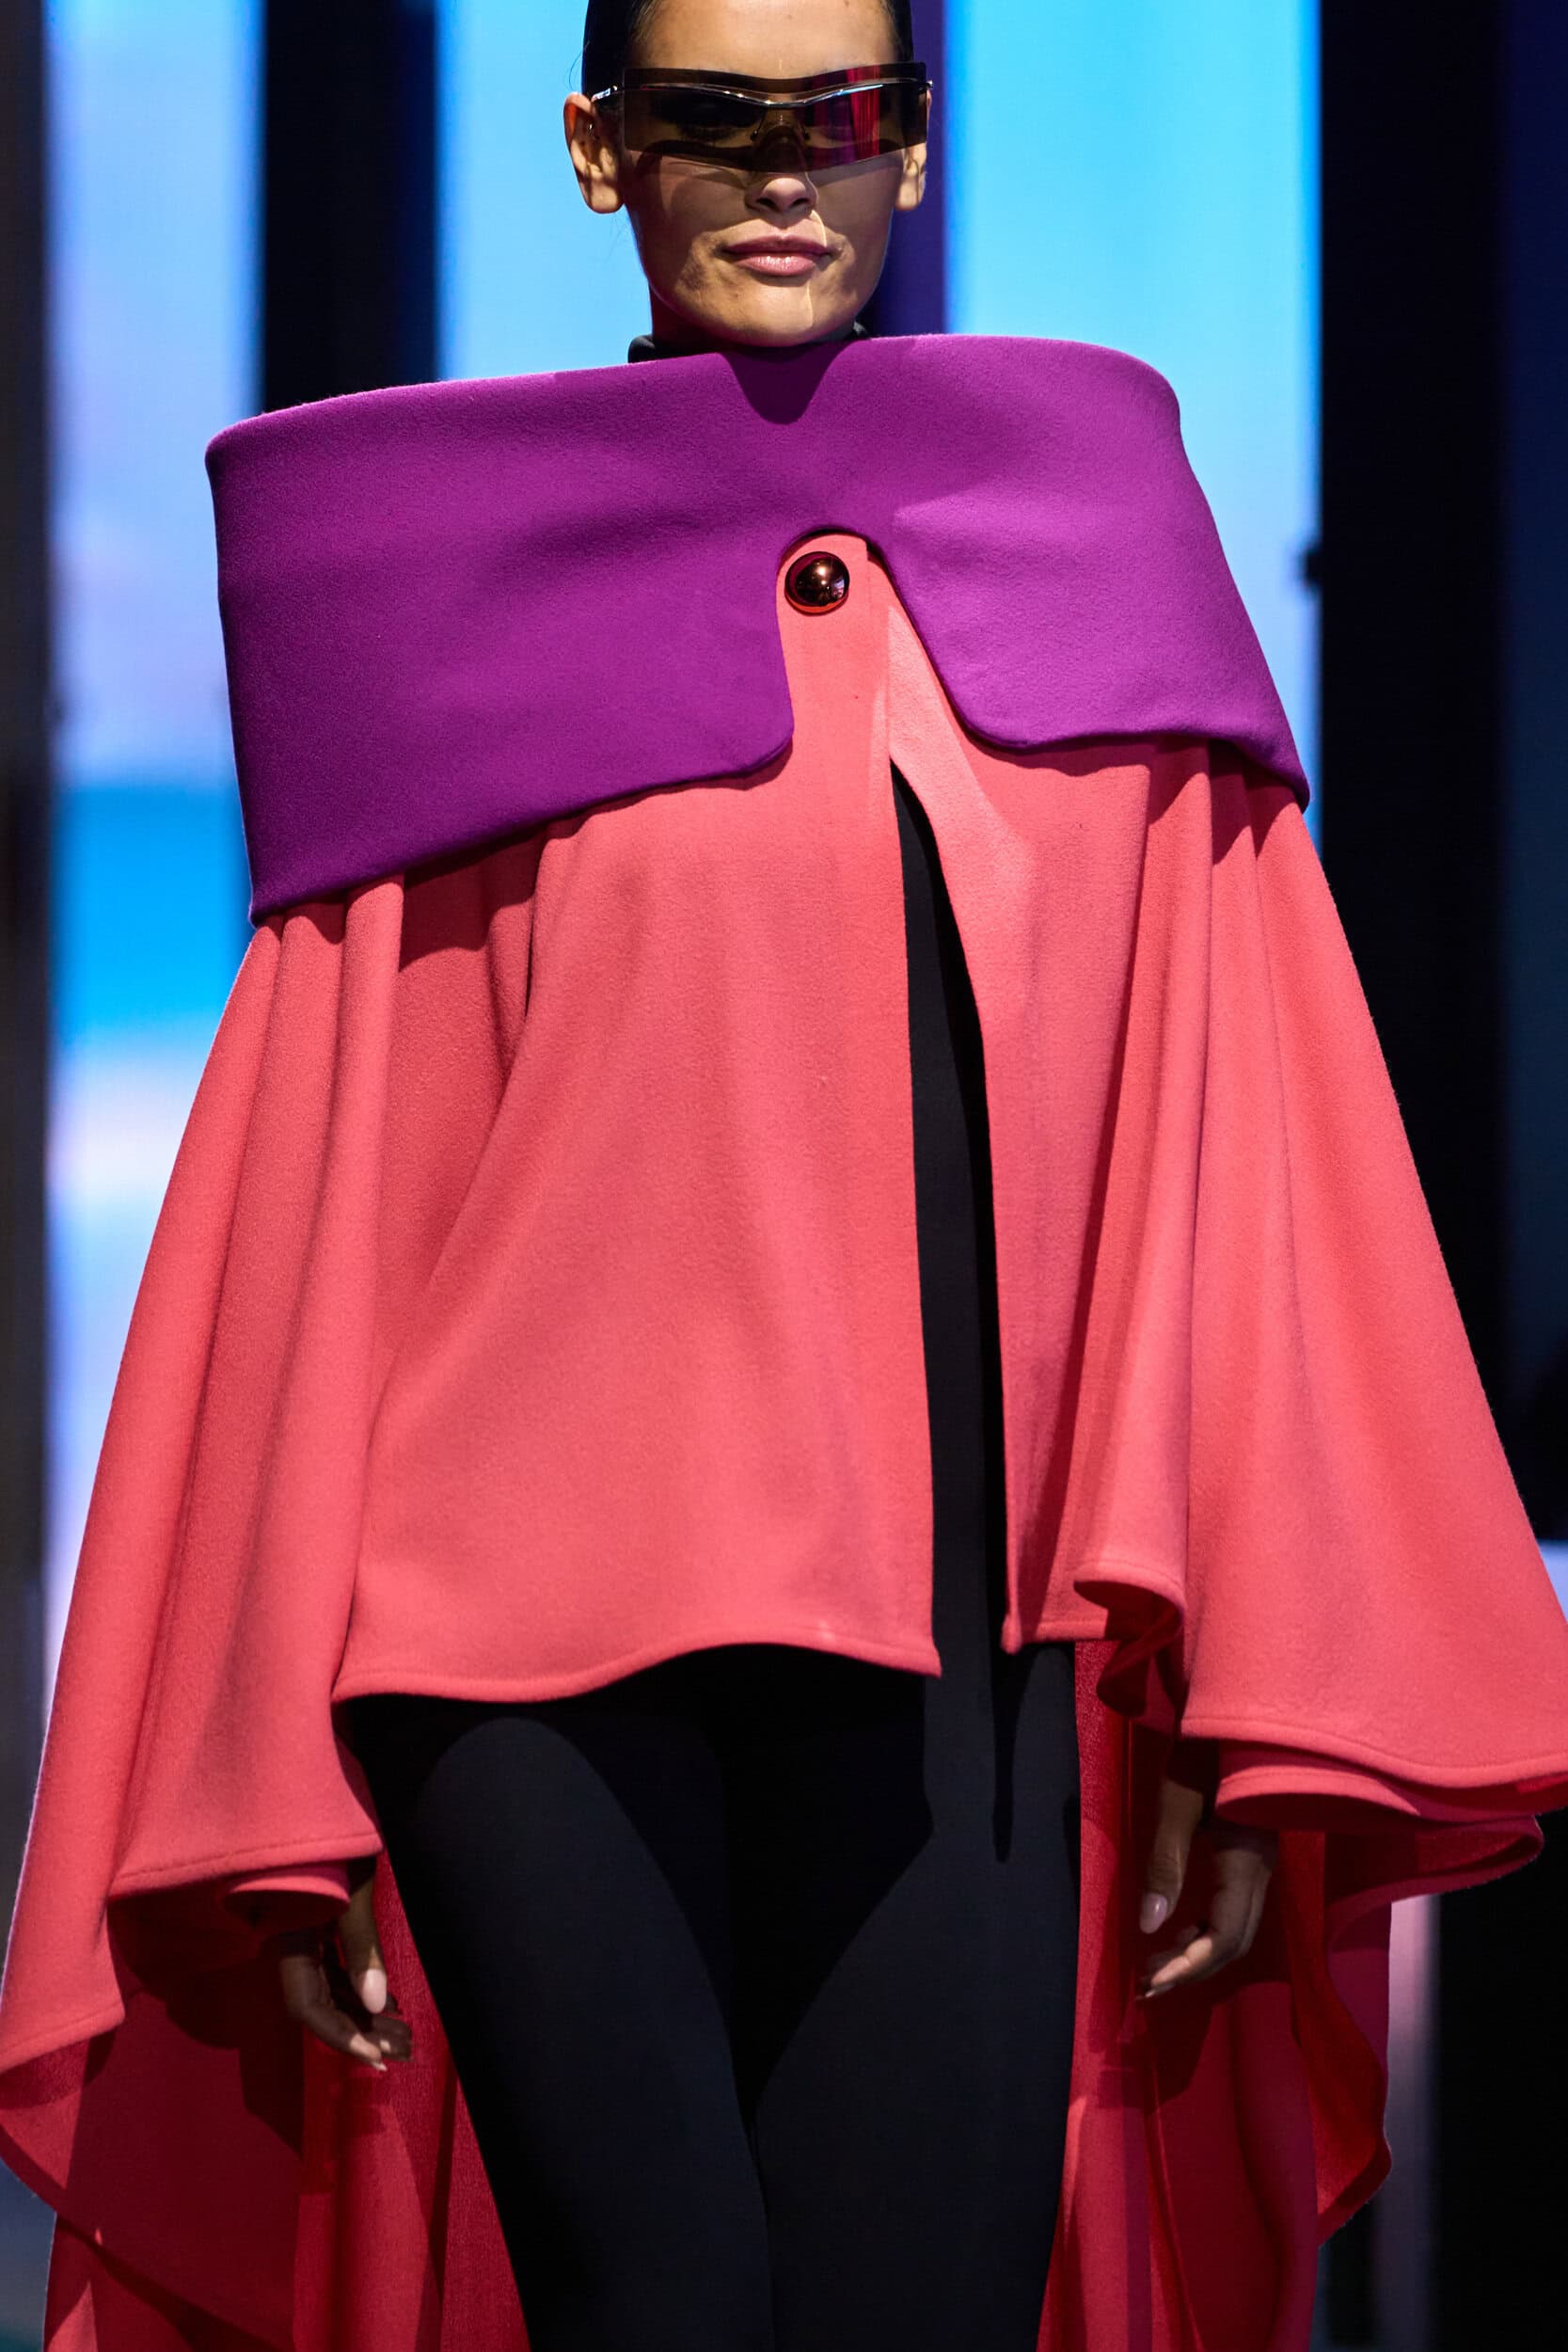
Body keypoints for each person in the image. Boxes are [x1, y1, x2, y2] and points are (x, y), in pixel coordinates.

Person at [3, 2, 1567, 2349]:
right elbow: (322, 1189)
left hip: (969, 1642)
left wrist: (1247, 1678)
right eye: (706, 119)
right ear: (595, 149)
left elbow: (1232, 1133)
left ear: (913, 147)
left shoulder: (1087, 530)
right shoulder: (442, 584)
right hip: (506, 1657)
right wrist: (261, 1760)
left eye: (837, 116)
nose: (777, 172)